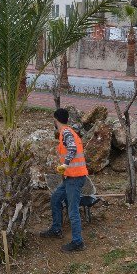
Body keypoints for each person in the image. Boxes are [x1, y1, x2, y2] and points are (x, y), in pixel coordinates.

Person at [39, 108, 89, 252]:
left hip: (75, 177)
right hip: (71, 177)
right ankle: (56, 229)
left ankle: (78, 242)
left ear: (56, 119)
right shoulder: (67, 132)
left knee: (73, 210)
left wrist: (65, 164)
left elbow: (72, 148)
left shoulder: (66, 132)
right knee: (55, 198)